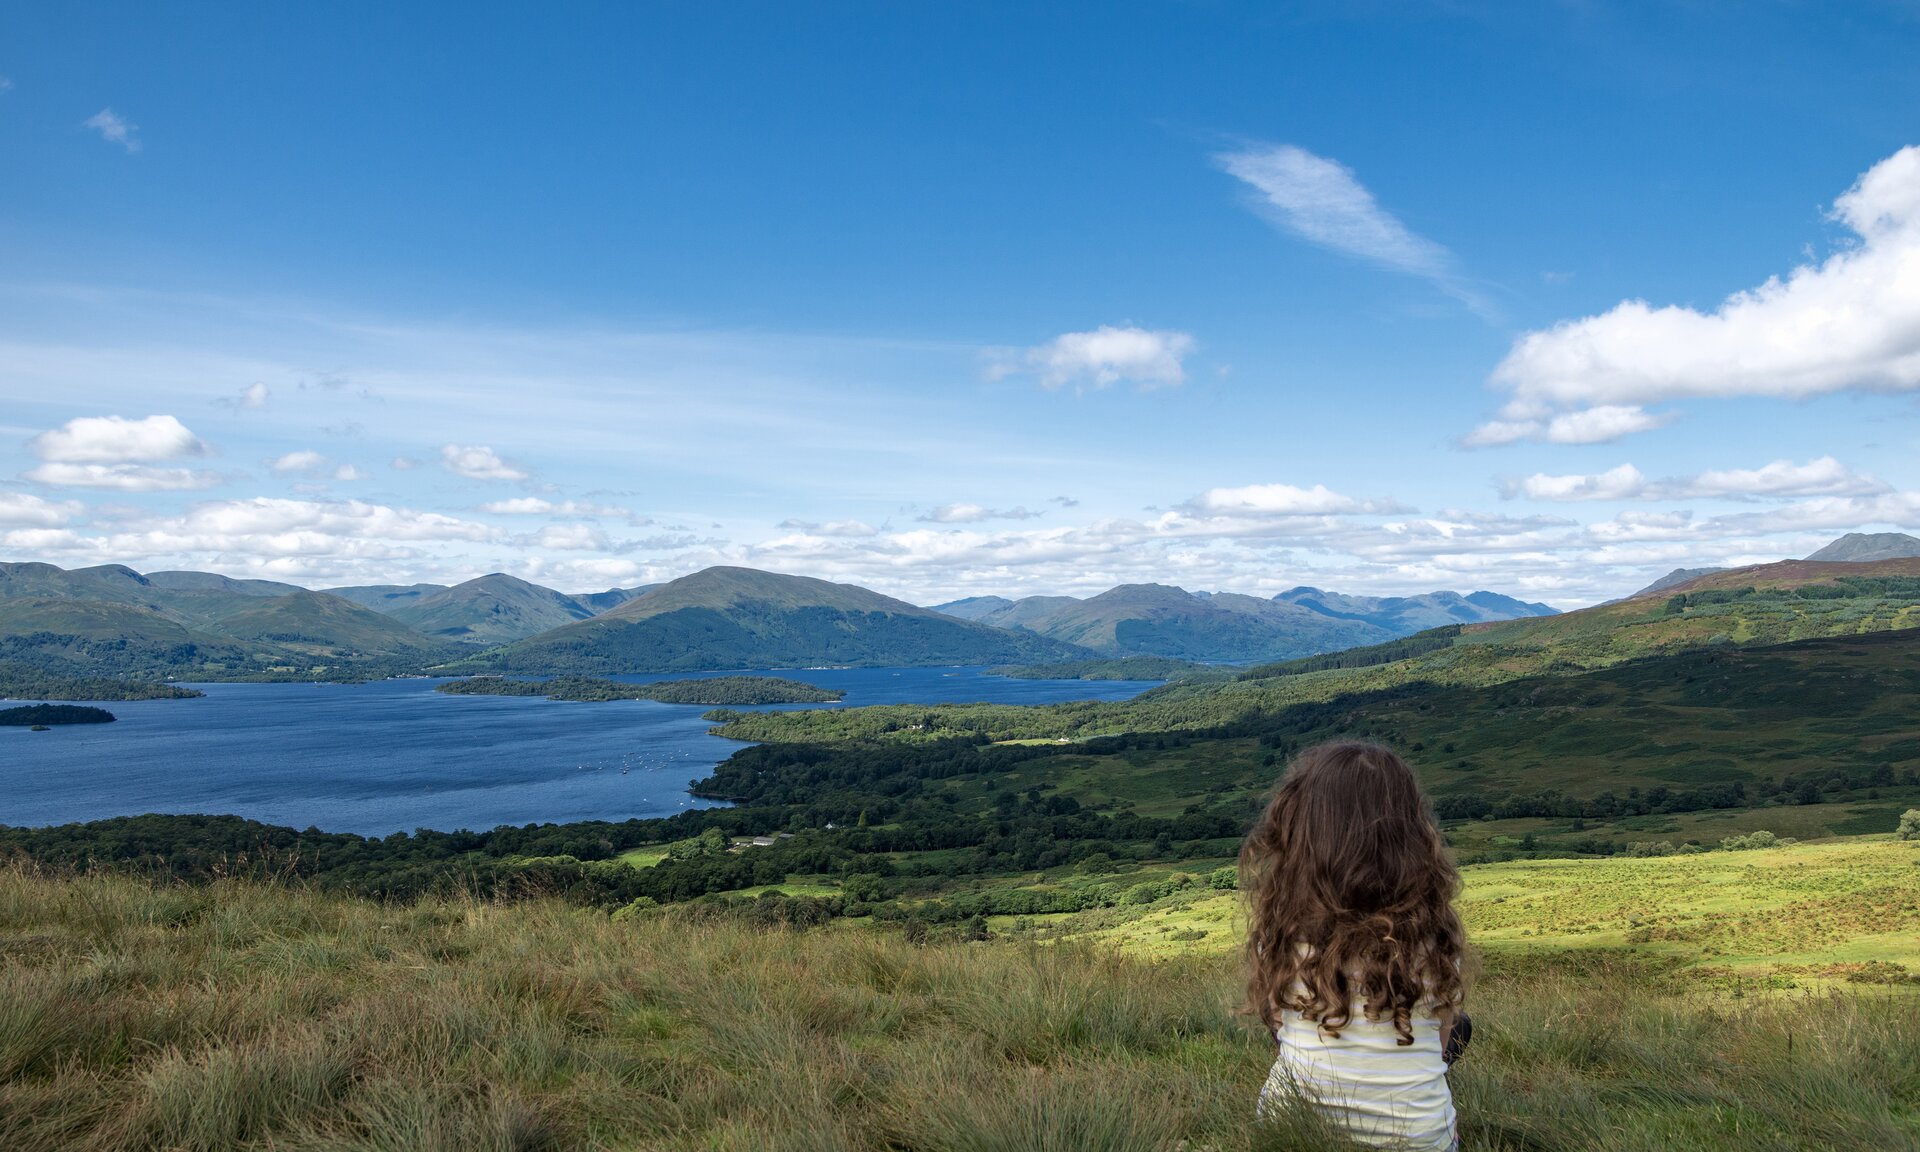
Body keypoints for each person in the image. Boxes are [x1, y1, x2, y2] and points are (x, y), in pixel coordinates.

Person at [1241, 741, 1471, 1151]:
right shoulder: (1433, 935)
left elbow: (1277, 1026)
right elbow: (1438, 1047)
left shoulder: (1285, 930)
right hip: (1419, 1142)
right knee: (1459, 1029)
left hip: (1288, 1133)